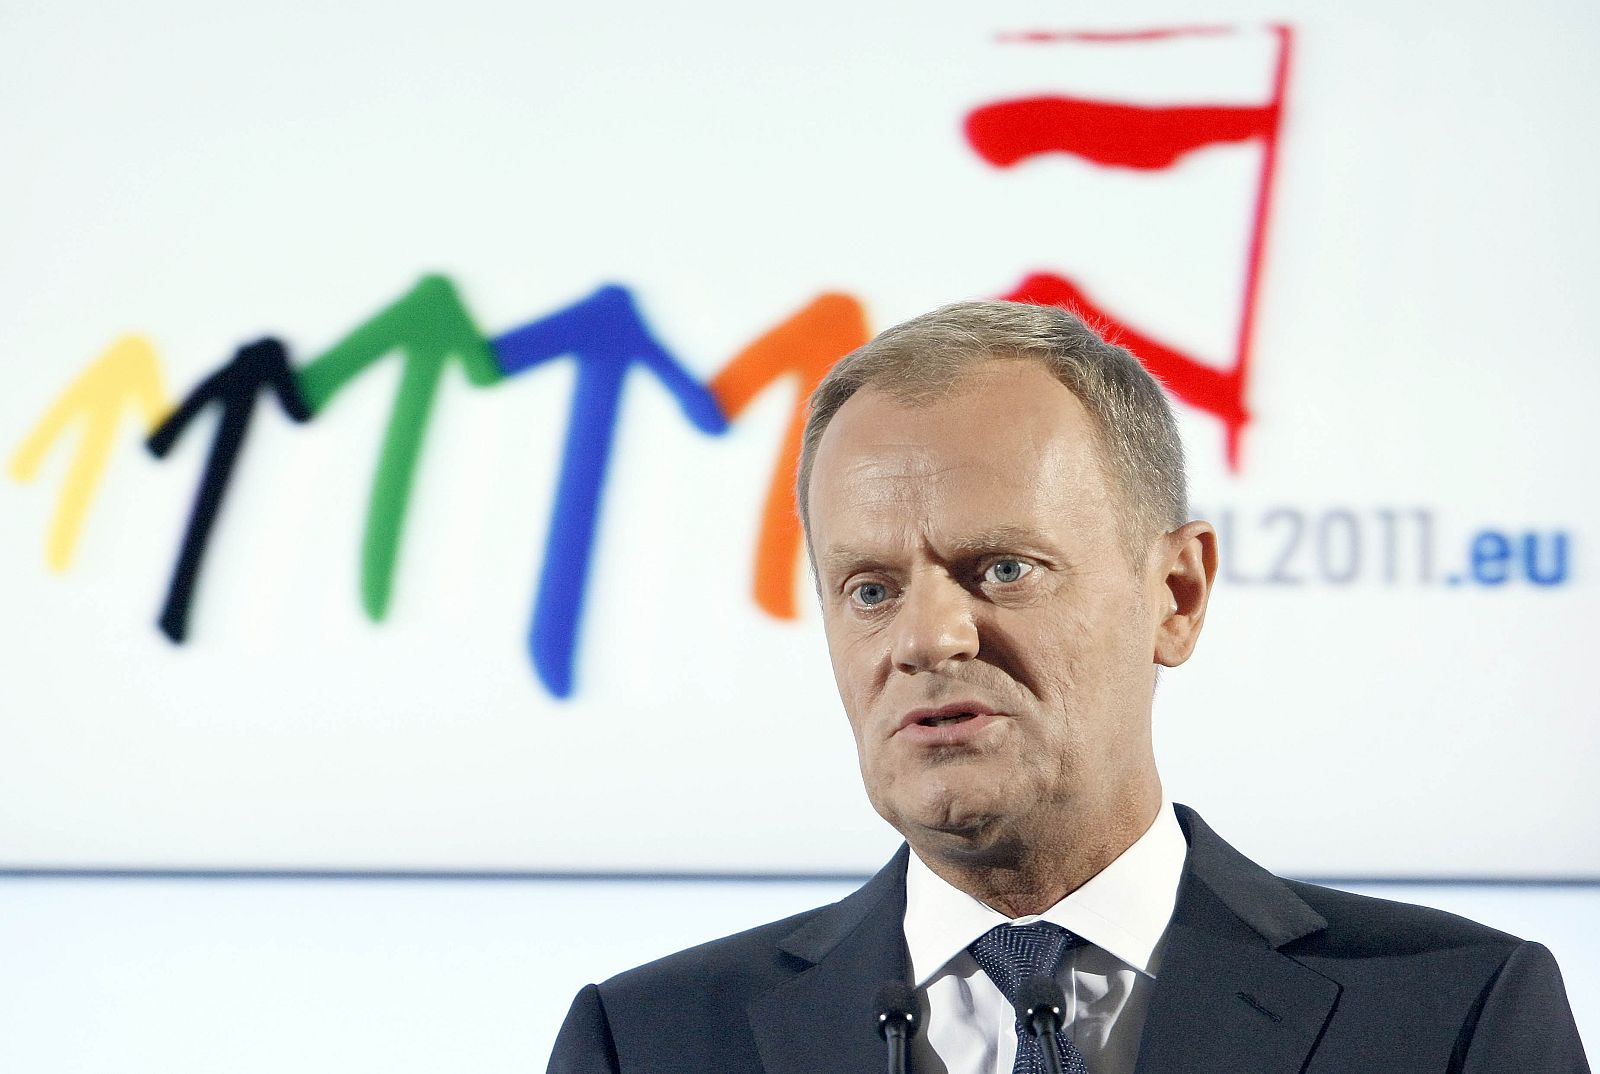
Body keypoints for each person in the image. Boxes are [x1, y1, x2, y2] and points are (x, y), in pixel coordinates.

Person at [546, 301, 1590, 1073]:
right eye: (869, 588)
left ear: (1175, 595)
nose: (928, 636)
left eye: (1003, 568)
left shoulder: (1450, 1014)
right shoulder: (650, 1043)